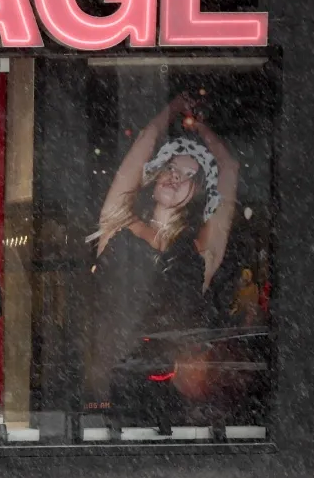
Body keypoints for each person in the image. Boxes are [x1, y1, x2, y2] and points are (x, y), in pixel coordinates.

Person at [87, 93, 240, 401]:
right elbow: (145, 141)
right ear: (156, 175)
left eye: (188, 176)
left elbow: (229, 167)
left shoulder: (199, 248)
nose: (175, 177)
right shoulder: (119, 221)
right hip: (110, 374)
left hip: (170, 382)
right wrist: (170, 111)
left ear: (197, 192)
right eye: (171, 168)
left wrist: (200, 127)